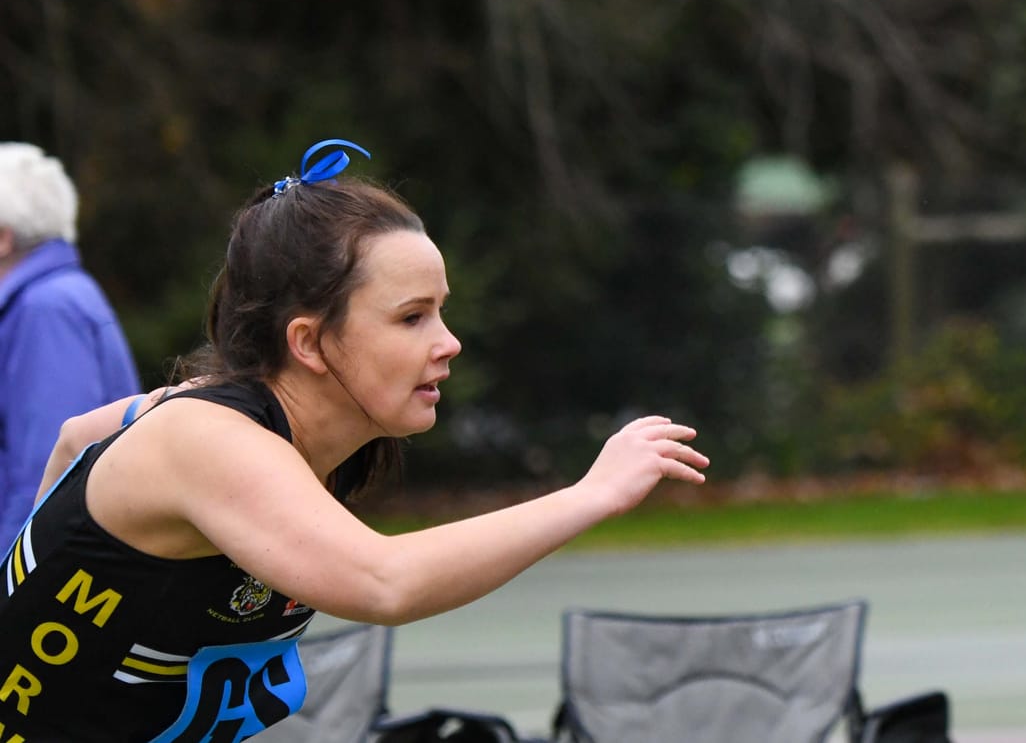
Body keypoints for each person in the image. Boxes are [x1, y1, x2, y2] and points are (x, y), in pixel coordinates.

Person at [0, 139, 709, 743]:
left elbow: (74, 436)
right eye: (411, 317)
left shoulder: (224, 426)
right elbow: (385, 580)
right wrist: (590, 495)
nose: (448, 342)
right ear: (308, 341)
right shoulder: (206, 437)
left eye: (441, 312)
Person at [0, 142, 142, 540]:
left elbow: (47, 471)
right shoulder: (54, 298)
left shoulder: (46, 309)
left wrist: (10, 586)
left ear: (3, 239)